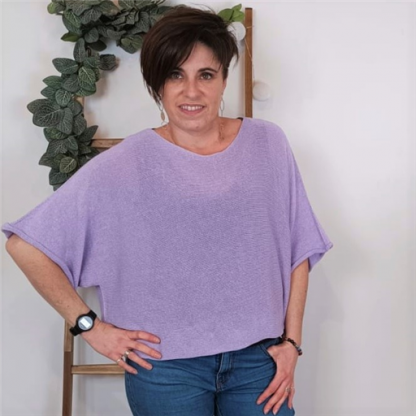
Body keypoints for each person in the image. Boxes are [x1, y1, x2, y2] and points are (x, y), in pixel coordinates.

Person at [2, 6, 333, 416]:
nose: (191, 91)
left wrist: (292, 343)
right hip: (165, 370)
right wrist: (89, 326)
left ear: (223, 80)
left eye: (205, 75)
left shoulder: (268, 144)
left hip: (259, 361)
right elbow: (24, 246)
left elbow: (298, 248)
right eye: (176, 75)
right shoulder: (123, 164)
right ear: (157, 84)